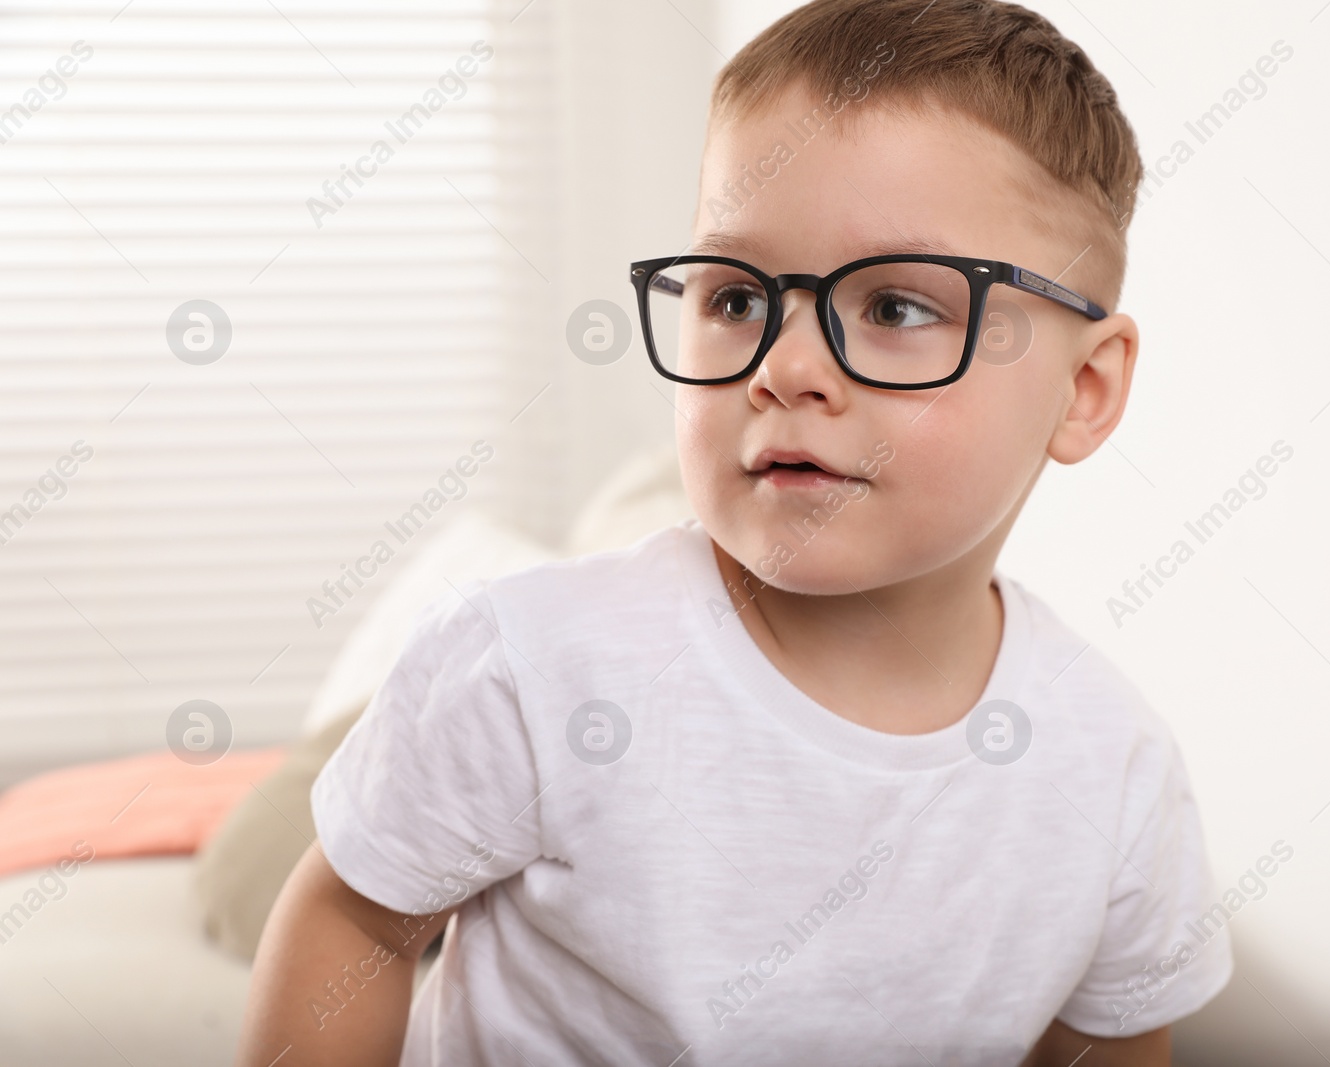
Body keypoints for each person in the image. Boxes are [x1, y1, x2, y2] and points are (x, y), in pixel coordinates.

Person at [235, 1, 1231, 1063]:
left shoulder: (1112, 771)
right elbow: (357, 918)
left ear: (1083, 388)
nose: (783, 367)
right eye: (736, 297)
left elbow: (1109, 1043)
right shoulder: (531, 664)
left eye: (894, 308)